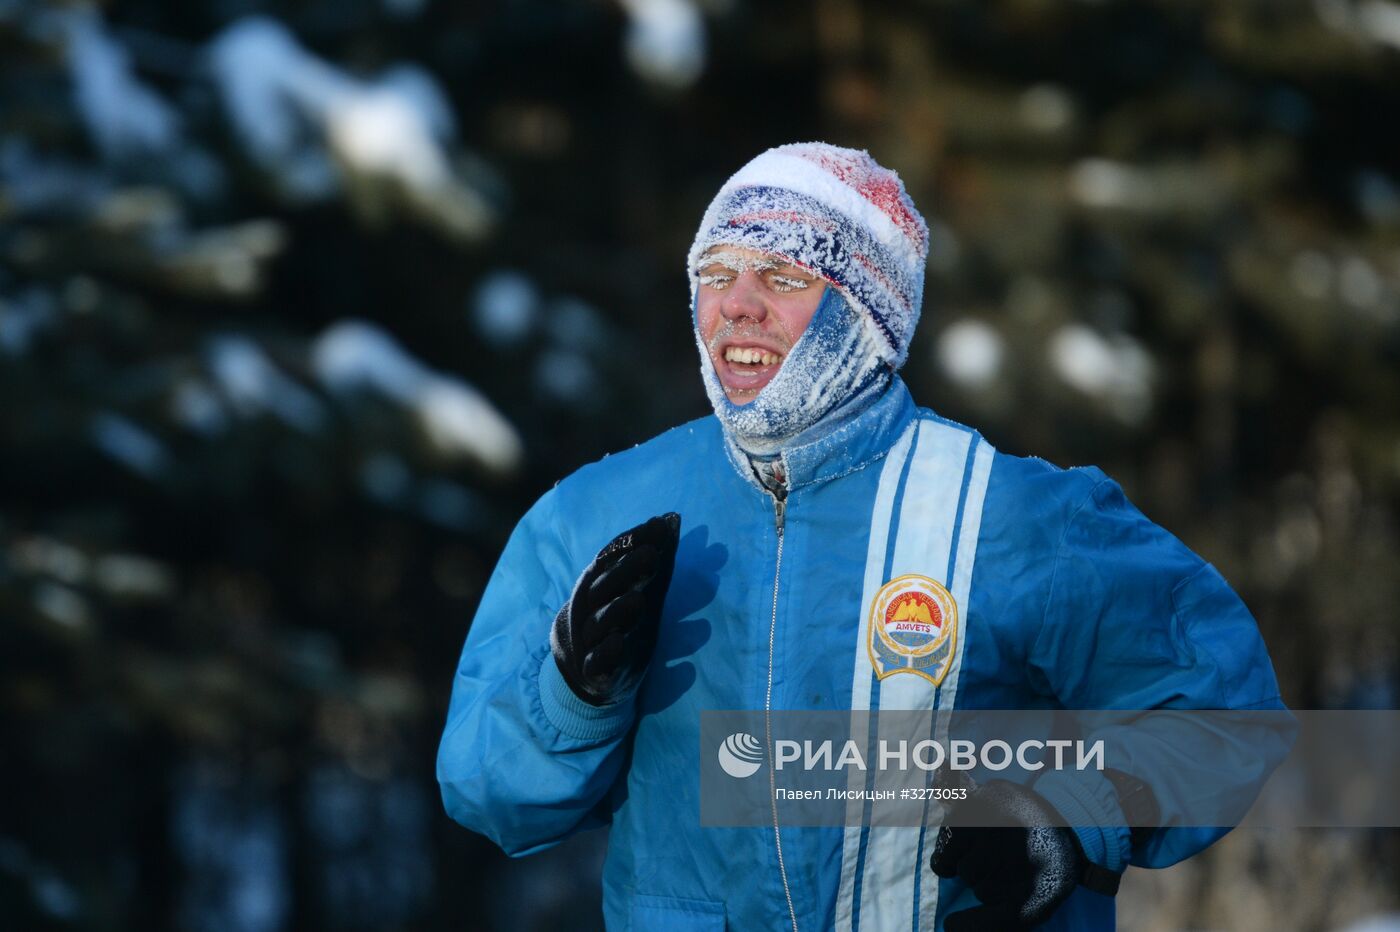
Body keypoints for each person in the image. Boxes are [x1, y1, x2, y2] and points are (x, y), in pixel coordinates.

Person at [437, 143, 1292, 931]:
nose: (736, 305)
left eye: (780, 277)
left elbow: (1227, 719)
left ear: (863, 313)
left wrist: (1072, 816)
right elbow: (486, 794)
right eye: (715, 271)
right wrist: (568, 696)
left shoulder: (1020, 515)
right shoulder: (597, 513)